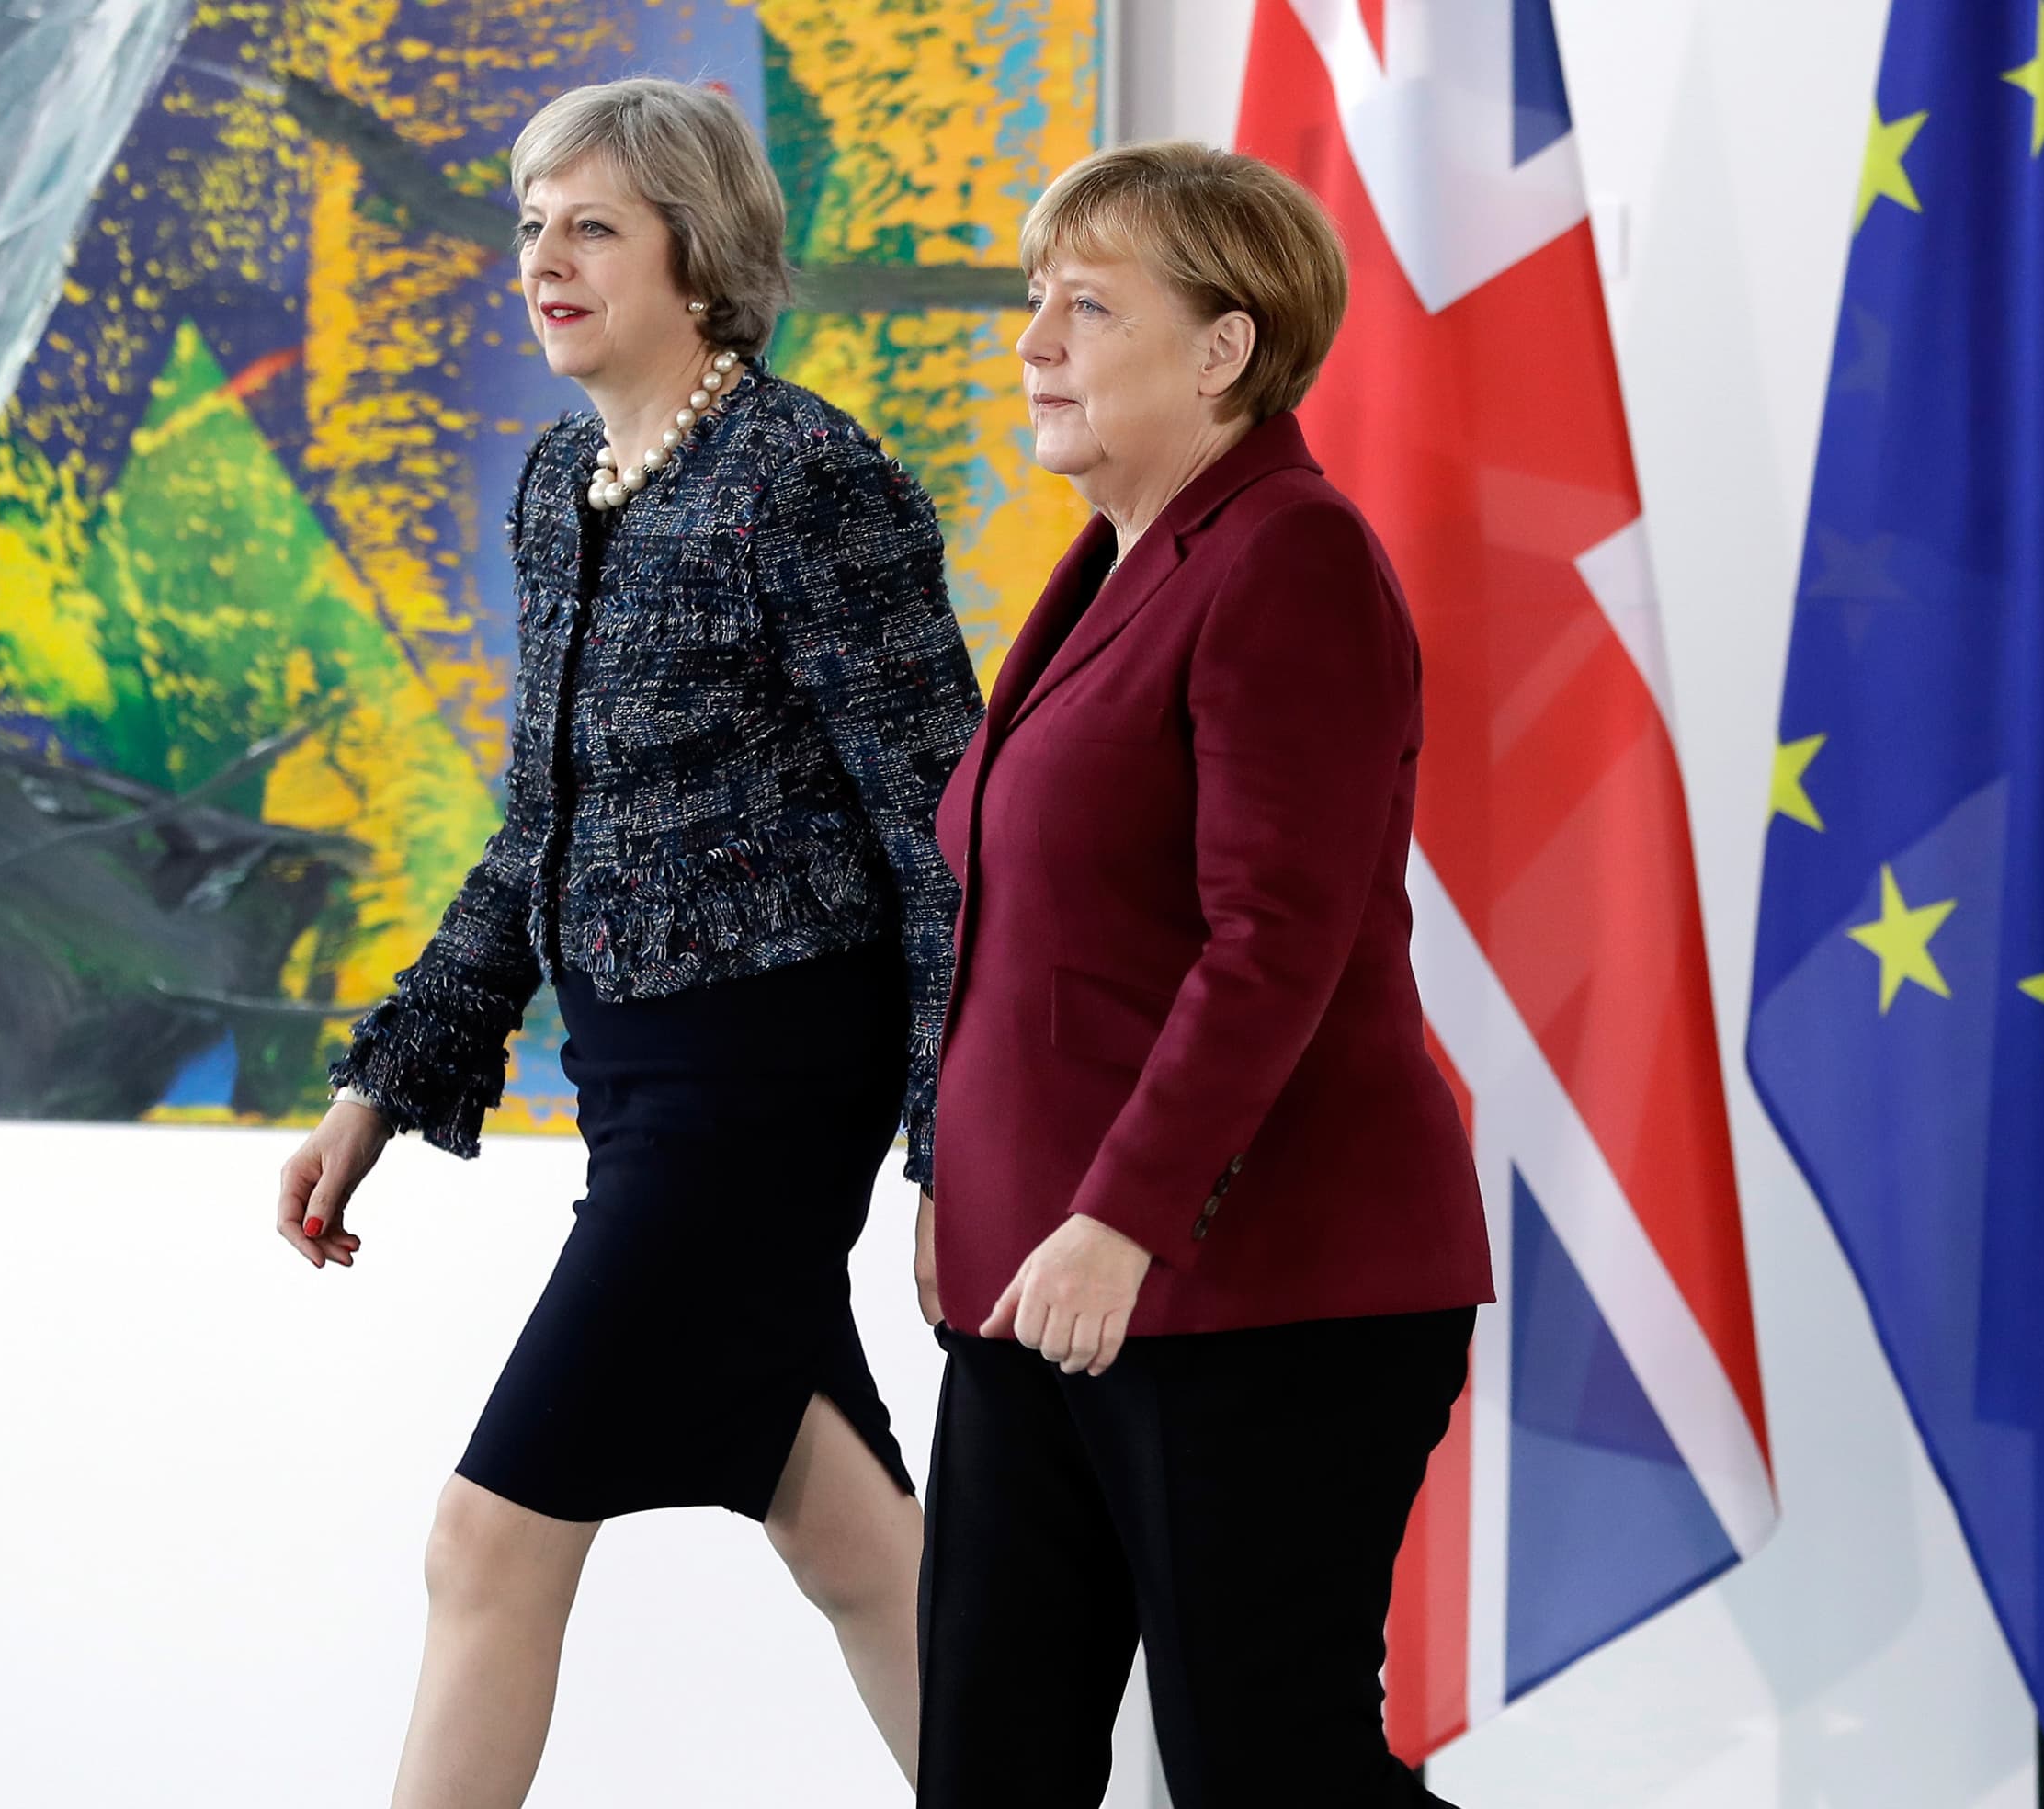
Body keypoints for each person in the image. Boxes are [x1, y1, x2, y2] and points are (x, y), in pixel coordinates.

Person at [267, 78, 978, 1806]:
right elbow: (539, 829)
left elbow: (952, 833)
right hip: (643, 1082)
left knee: (488, 1541)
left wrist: (954, 1152)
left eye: (592, 225)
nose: (545, 258)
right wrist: (379, 1087)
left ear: (700, 253)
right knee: (855, 1545)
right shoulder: (561, 483)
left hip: (770, 1089)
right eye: (531, 222)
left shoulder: (807, 475)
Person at [913, 140, 1494, 1807]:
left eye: (1086, 307)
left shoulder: (1288, 556)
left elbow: (1276, 941)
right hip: (1039, 1287)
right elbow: (1030, 941)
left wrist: (1122, 1219)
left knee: (1268, 1773)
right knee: (991, 1765)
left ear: (1225, 350)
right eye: (1036, 301)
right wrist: (972, 1190)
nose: (1033, 342)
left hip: (1263, 1285)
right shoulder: (1113, 562)